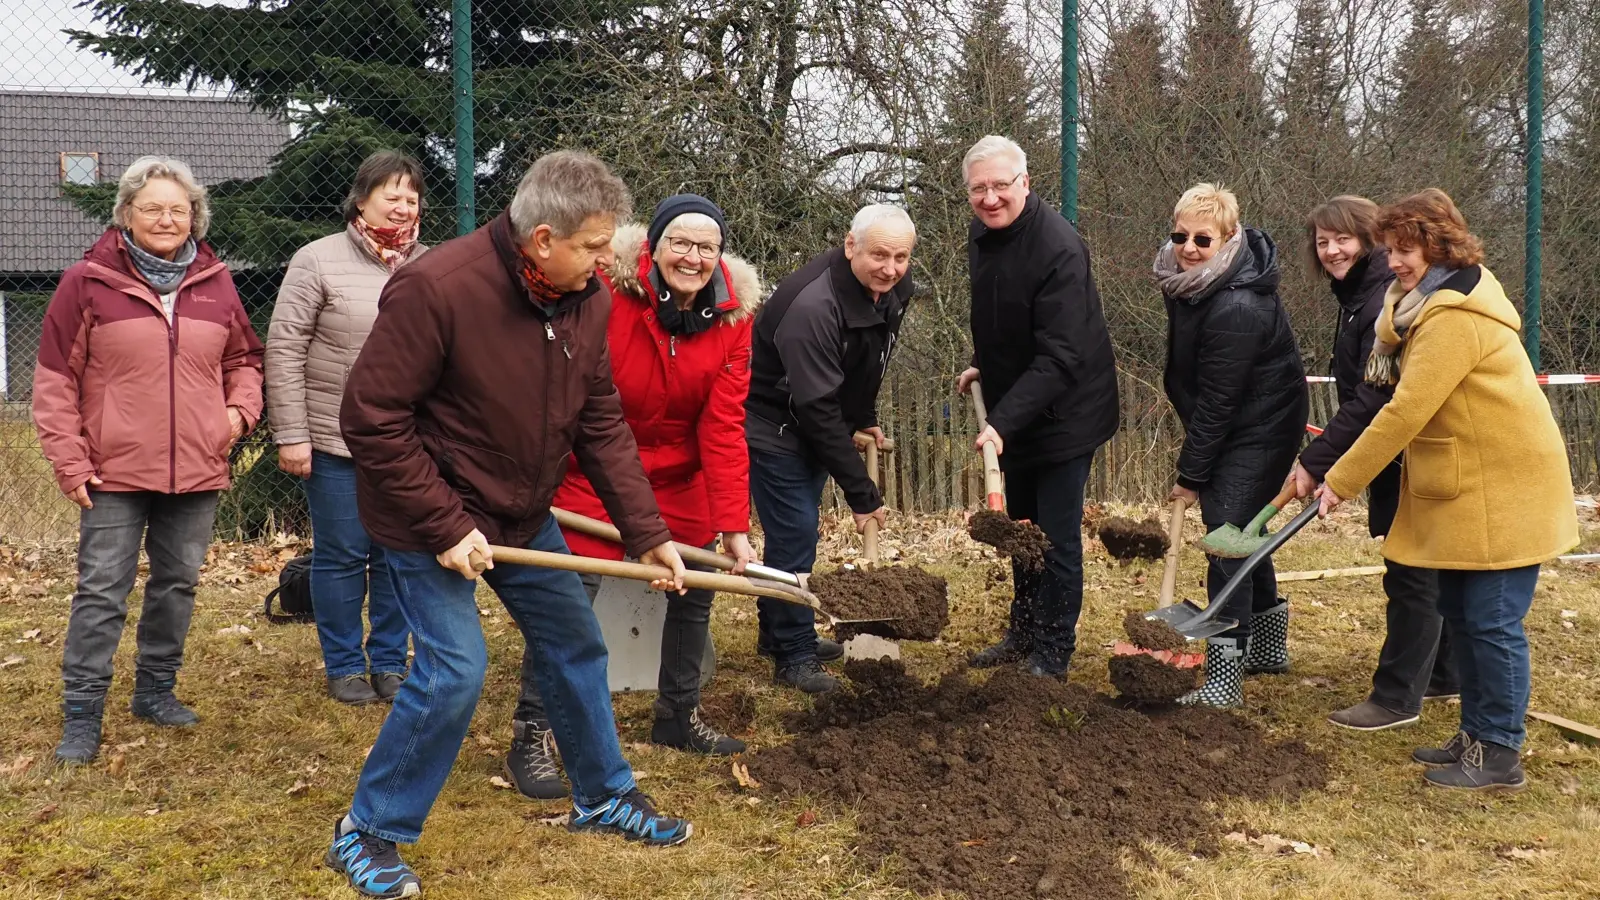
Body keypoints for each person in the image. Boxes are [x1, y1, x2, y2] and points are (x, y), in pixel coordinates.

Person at [327, 151, 695, 899]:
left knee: (574, 645)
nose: (607, 260)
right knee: (455, 670)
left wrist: (646, 533)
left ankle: (602, 795)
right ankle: (367, 831)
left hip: (522, 514)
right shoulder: (438, 289)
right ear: (542, 240)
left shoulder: (586, 299)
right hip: (424, 516)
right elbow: (370, 418)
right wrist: (443, 524)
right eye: (594, 246)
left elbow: (600, 423)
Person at [1316, 188, 1577, 791]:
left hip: (1505, 485)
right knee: (1460, 613)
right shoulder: (1411, 307)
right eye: (1391, 250)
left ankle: (1500, 753)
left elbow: (1404, 411)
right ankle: (1475, 734)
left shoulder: (1452, 319)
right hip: (1469, 485)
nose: (1396, 263)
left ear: (1439, 247)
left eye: (1406, 251)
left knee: (1492, 622)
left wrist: (1341, 480)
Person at [505, 194, 761, 801]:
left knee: (697, 582)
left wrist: (732, 524)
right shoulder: (605, 294)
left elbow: (723, 425)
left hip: (680, 475)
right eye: (681, 243)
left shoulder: (734, 318)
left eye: (707, 247)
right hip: (594, 465)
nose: (693, 258)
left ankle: (678, 715)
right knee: (567, 594)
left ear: (720, 256)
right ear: (654, 246)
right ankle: (533, 731)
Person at [33, 156, 264, 764]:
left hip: (197, 465)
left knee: (178, 584)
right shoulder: (87, 281)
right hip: (111, 471)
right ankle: (82, 714)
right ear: (126, 215)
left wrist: (237, 417)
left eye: (178, 209)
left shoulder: (216, 282)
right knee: (102, 591)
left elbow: (245, 361)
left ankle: (156, 691)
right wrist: (70, 462)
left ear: (195, 218)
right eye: (152, 208)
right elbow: (55, 380)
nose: (166, 218)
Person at [1290, 196, 1458, 731]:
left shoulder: (1380, 300)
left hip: (1410, 448)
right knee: (1425, 565)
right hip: (1395, 447)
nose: (1333, 250)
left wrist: (1320, 462)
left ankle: (1396, 697)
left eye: (1343, 238)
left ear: (1369, 240)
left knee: (1411, 571)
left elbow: (1374, 397)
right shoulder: (1364, 297)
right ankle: (1445, 673)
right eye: (1322, 242)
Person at [954, 135, 1119, 678]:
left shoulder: (1058, 248)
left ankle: (1052, 650)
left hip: (1066, 413)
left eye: (1001, 185)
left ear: (1025, 183)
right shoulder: (983, 235)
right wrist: (987, 364)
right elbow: (1003, 315)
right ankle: (1022, 634)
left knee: (1055, 535)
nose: (990, 197)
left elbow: (1062, 353)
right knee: (1023, 528)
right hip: (1018, 406)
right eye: (979, 188)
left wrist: (1001, 421)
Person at [265, 150, 426, 706]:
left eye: (412, 197)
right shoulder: (317, 260)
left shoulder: (427, 265)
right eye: (392, 196)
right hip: (333, 439)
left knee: (396, 554)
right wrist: (291, 433)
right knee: (342, 554)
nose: (403, 206)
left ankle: (388, 662)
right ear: (362, 200)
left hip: (407, 445)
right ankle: (343, 665)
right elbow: (284, 348)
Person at [745, 204, 916, 694]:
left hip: (816, 417)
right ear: (849, 246)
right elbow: (817, 410)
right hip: (774, 425)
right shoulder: (813, 306)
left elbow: (870, 357)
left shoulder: (892, 288)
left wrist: (863, 417)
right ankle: (793, 655)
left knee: (792, 538)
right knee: (796, 534)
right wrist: (862, 495)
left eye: (901, 256)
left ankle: (776, 632)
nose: (890, 267)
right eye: (879, 254)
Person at [1156, 183, 1308, 708]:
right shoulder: (1190, 281)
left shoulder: (1237, 304)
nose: (1189, 247)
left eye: (1204, 238)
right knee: (1245, 530)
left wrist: (1191, 476)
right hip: (1240, 417)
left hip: (1261, 425)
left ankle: (1224, 678)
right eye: (1180, 235)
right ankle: (1267, 647)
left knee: (1226, 535)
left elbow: (1219, 401)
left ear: (1229, 239)